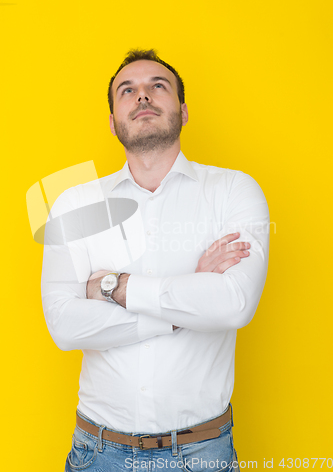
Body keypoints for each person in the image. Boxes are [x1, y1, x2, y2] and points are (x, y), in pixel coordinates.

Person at [41, 49, 270, 471]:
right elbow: (64, 325)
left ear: (183, 112)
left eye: (156, 86)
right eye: (127, 90)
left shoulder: (234, 191)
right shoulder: (75, 204)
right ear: (113, 122)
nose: (142, 96)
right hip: (97, 452)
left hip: (202, 453)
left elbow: (234, 305)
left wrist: (114, 286)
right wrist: (184, 303)